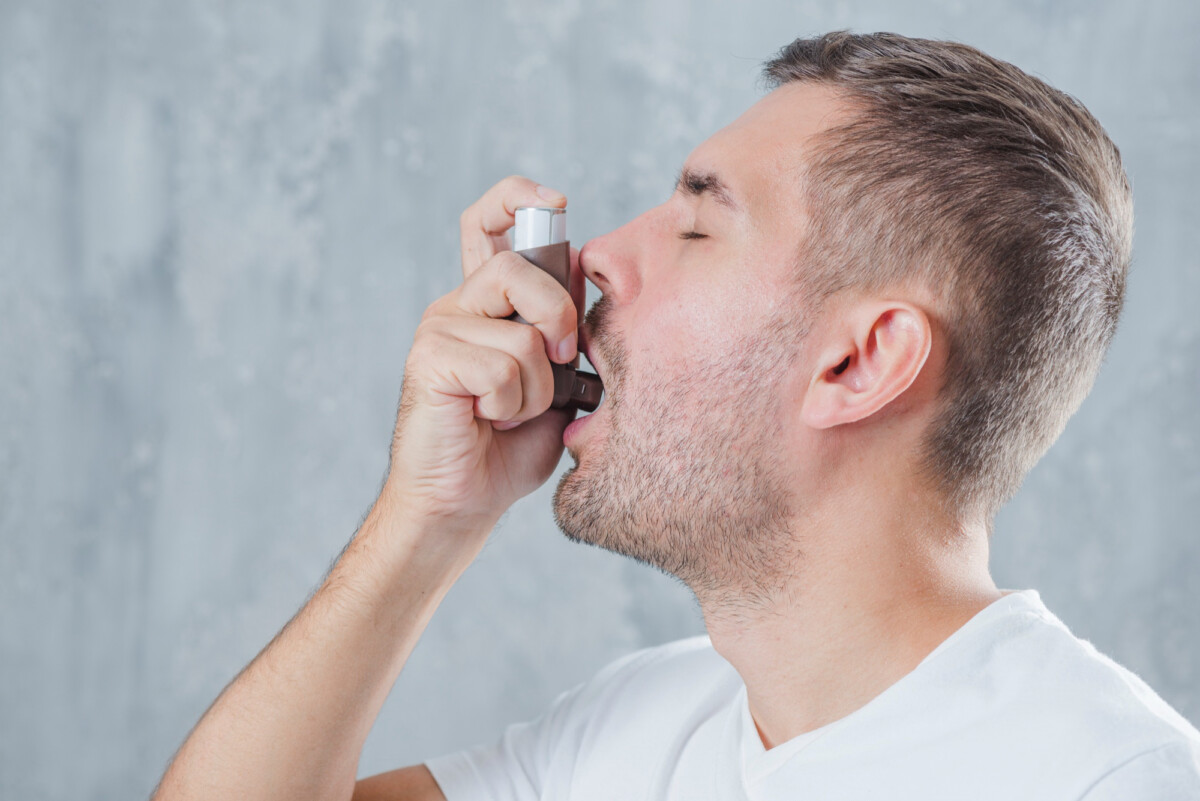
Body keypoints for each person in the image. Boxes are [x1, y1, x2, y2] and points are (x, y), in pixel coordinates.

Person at [151, 31, 1200, 801]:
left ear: (858, 361)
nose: (598, 254)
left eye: (699, 225)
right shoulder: (641, 725)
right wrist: (430, 519)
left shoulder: (1108, 778)